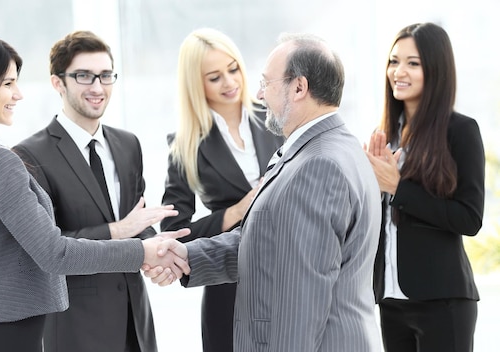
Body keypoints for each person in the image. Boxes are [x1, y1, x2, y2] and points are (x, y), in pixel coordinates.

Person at [0, 32, 188, 352]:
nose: (18, 94)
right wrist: (141, 251)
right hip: (12, 335)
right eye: (7, 84)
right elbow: (54, 253)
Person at [148, 33, 382, 351]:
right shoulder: (320, 147)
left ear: (299, 87)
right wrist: (188, 255)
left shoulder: (317, 165)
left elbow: (300, 297)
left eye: (266, 82)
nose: (257, 92)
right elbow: (269, 242)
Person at [12, 30, 171, 352]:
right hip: (76, 326)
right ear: (58, 82)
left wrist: (157, 254)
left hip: (135, 319)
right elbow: (46, 249)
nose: (98, 87)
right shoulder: (29, 156)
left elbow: (137, 221)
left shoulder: (128, 144)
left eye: (106, 75)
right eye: (84, 76)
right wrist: (117, 231)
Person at [160, 27, 284, 352]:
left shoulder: (276, 117)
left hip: (288, 273)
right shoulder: (185, 145)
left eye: (233, 69)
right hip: (229, 287)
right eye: (215, 77)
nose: (230, 83)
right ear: (195, 84)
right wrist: (236, 211)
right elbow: (173, 232)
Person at [365, 22, 485, 352]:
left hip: (442, 300)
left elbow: (470, 218)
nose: (398, 71)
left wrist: (398, 188)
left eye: (412, 63)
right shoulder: (385, 135)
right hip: (390, 299)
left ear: (435, 68)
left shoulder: (460, 131)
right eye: (393, 61)